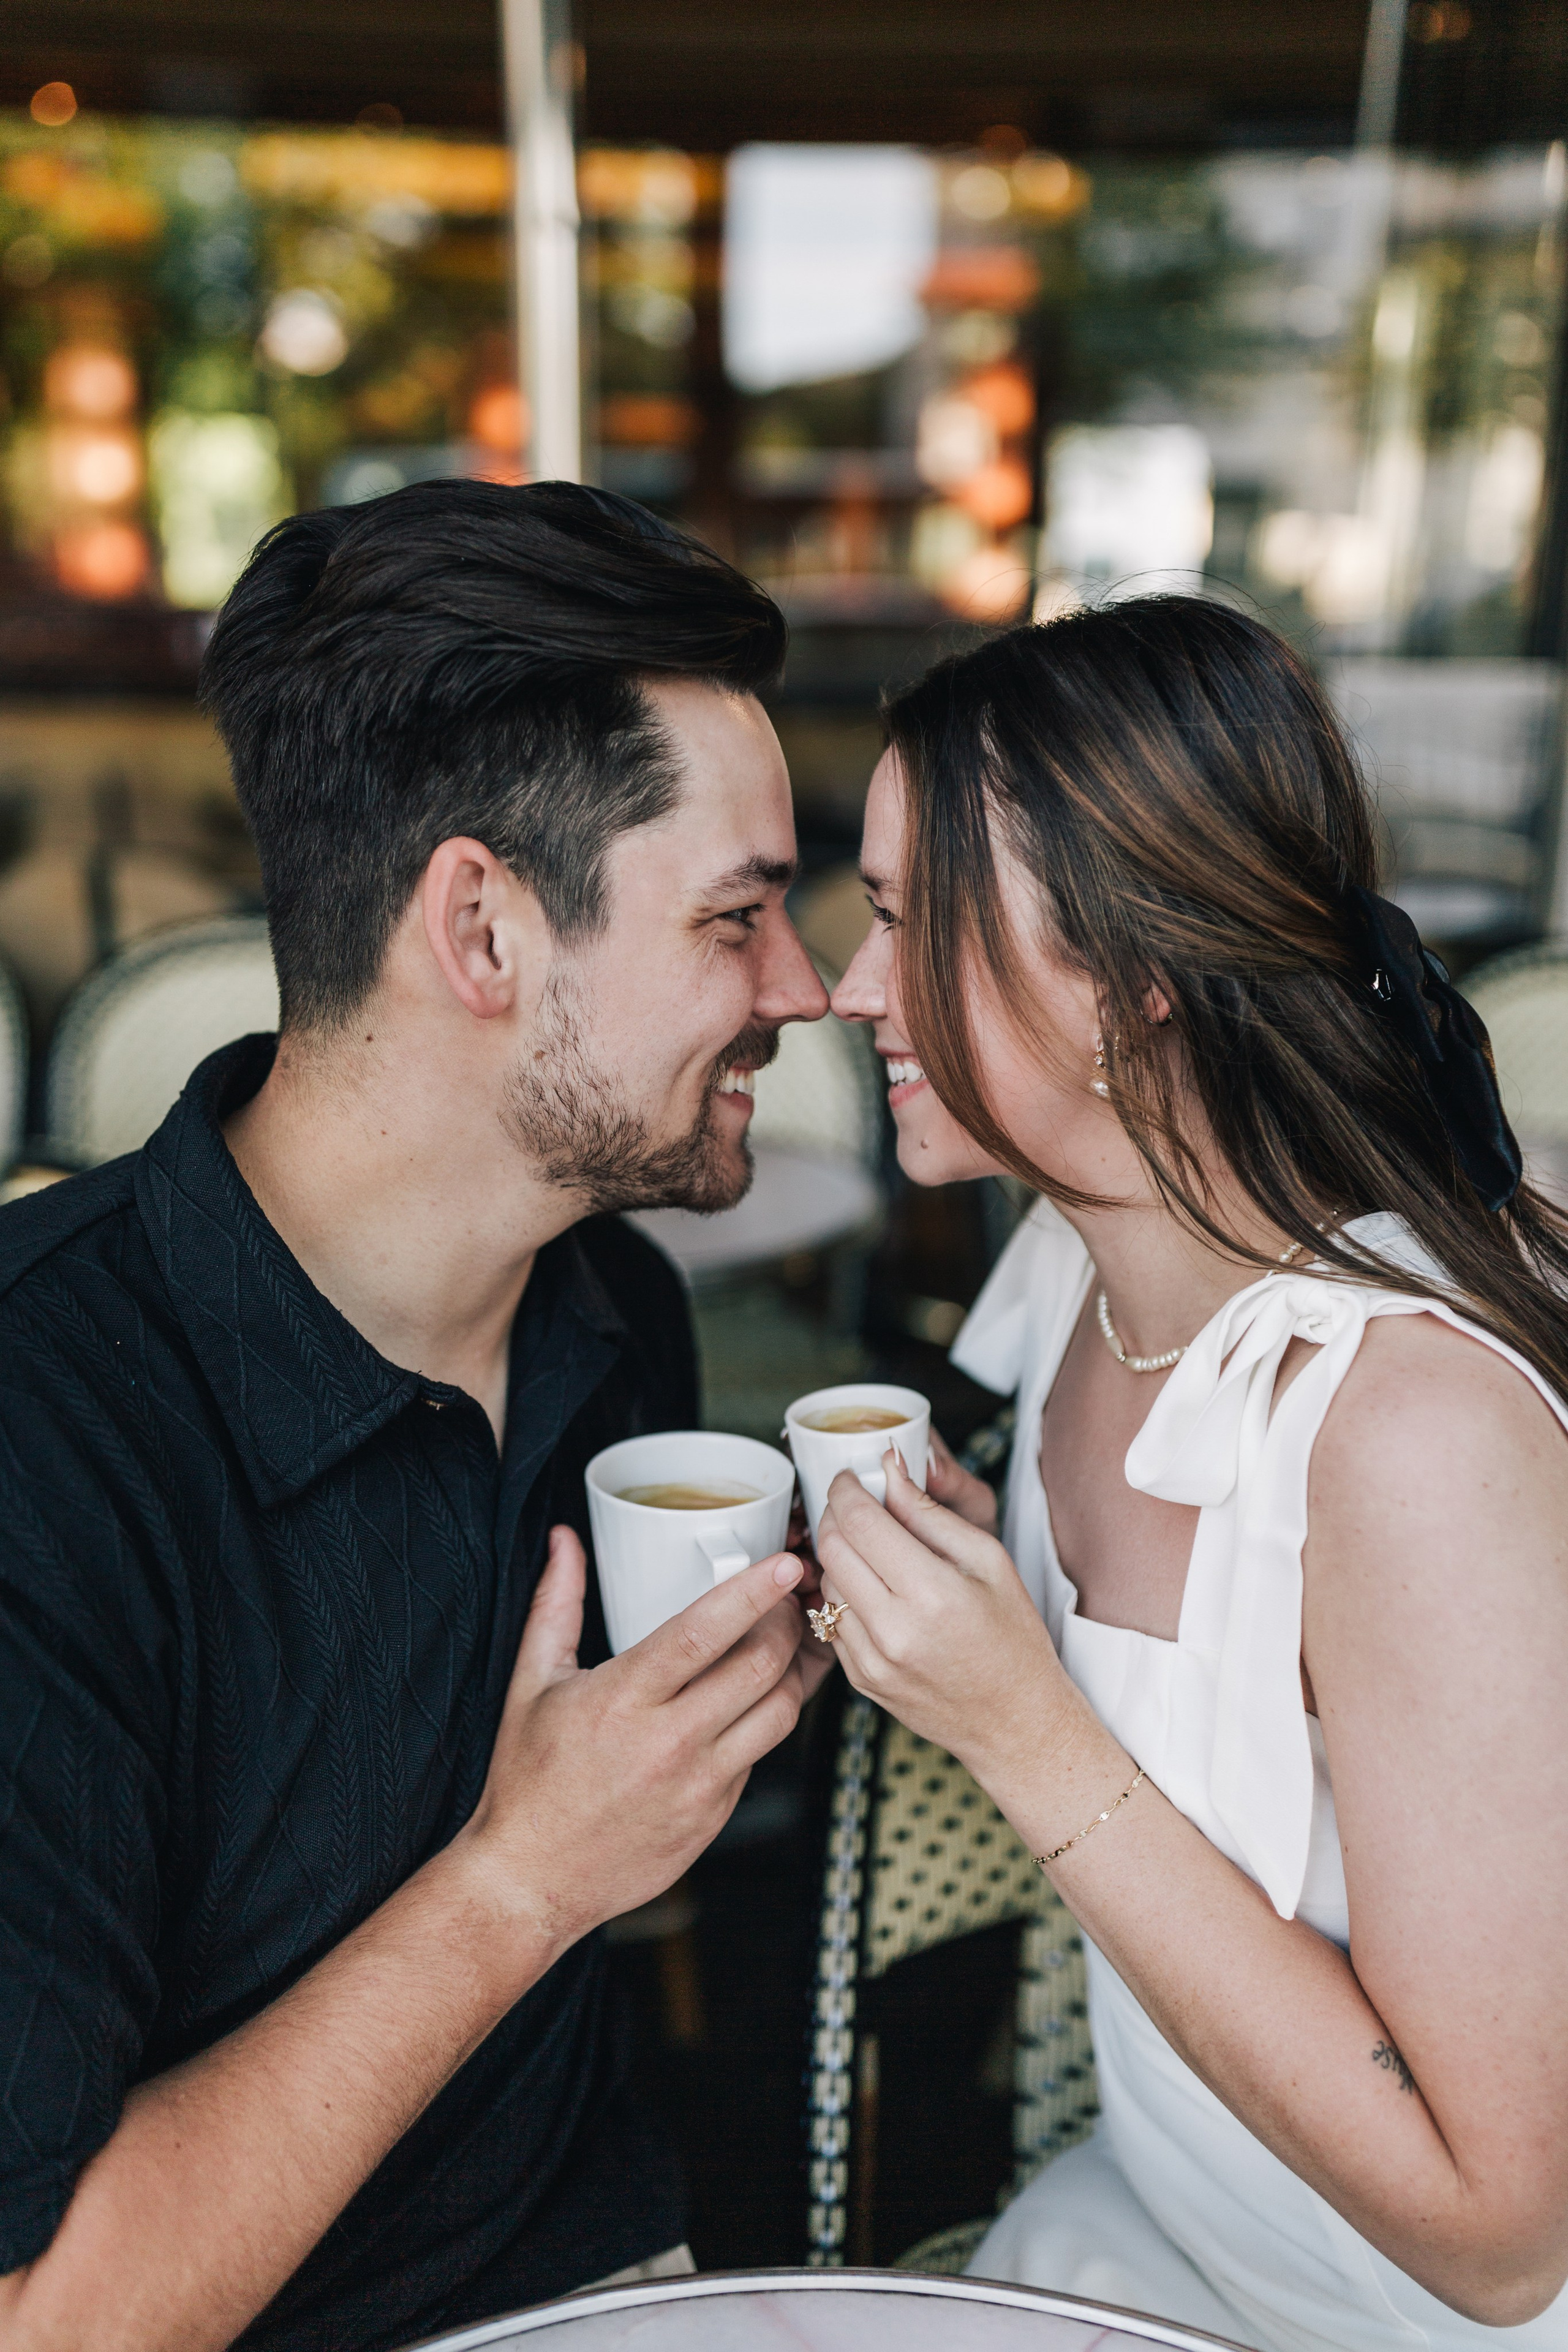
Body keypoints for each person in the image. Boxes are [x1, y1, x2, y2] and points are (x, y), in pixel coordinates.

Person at [0, 480, 835, 2352]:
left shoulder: (609, 1314)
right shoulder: (38, 1450)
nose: (812, 989)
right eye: (736, 917)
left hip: (612, 2288)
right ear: (483, 930)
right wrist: (528, 1876)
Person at [823, 597, 1568, 2352]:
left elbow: (1504, 2236)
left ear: (1139, 983)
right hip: (1171, 2216)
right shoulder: (1070, 1264)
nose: (850, 988)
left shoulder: (1405, 1435)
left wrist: (1020, 1724)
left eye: (904, 922)